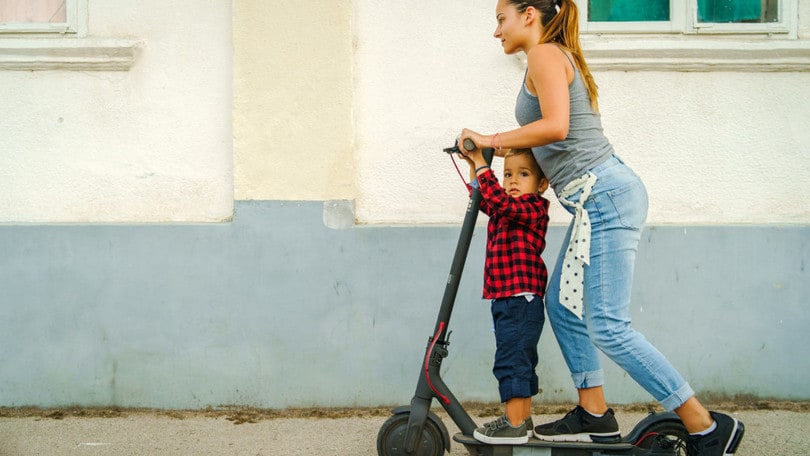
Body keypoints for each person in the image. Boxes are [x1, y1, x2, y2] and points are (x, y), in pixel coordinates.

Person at [457, 1, 745, 455]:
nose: (497, 32)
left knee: (608, 326)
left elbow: (556, 126)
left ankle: (706, 427)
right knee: (563, 306)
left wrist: (491, 141)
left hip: (605, 196)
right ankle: (595, 414)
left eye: (501, 19)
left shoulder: (545, 54)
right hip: (594, 201)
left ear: (529, 14)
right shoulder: (553, 55)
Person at [456, 147, 550, 445]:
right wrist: (475, 163)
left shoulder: (533, 208)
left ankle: (514, 423)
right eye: (508, 173)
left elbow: (498, 200)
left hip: (521, 300)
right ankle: (521, 421)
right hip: (507, 299)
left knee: (512, 361)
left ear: (541, 184)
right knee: (515, 359)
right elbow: (484, 199)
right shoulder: (505, 206)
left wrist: (485, 167)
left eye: (523, 174)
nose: (512, 180)